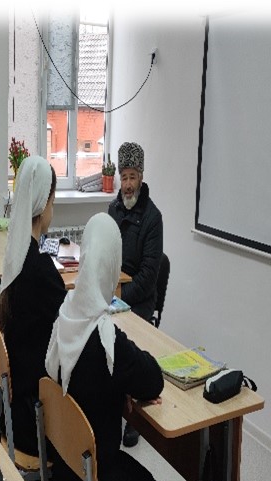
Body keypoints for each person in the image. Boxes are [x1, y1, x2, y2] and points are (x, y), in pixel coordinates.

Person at [45, 212, 176, 481]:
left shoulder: (64, 316)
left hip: (63, 473)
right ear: (112, 266)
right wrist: (124, 383)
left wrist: (119, 385)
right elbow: (153, 380)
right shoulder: (107, 341)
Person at [0, 156, 66, 457]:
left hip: (16, 411)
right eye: (53, 200)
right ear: (43, 203)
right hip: (36, 421)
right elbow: (73, 335)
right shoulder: (40, 271)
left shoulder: (17, 257)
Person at [107, 141, 163, 447]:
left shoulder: (153, 218)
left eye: (133, 177)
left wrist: (120, 299)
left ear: (141, 177)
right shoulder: (113, 210)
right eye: (124, 177)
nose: (127, 184)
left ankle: (134, 416)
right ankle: (113, 399)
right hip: (114, 294)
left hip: (138, 299)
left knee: (123, 343)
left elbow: (149, 275)